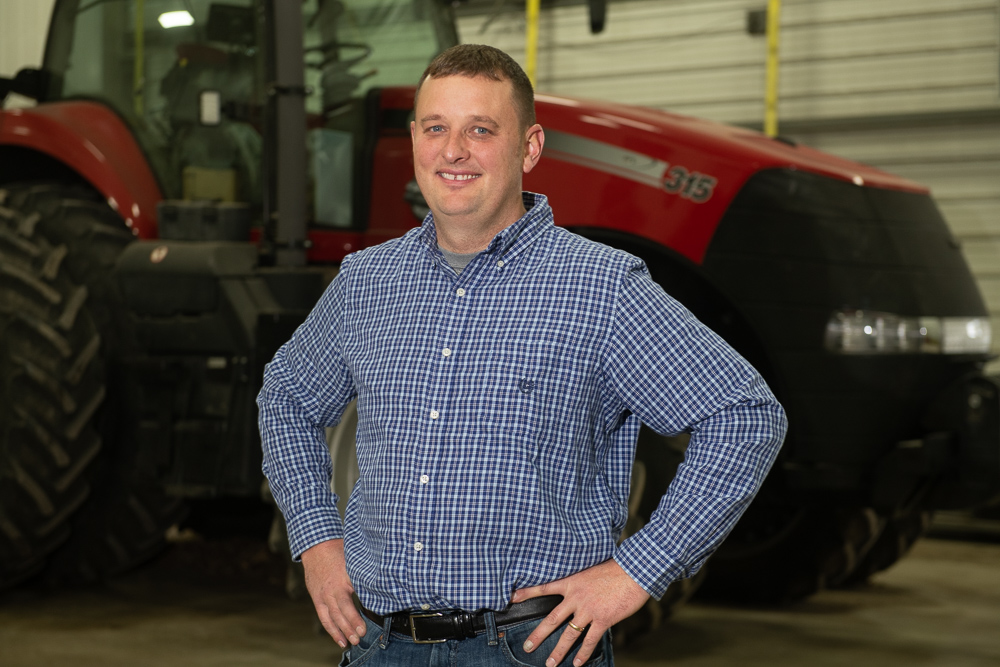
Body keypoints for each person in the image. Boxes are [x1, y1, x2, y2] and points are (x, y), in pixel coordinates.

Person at [257, 44, 787, 667]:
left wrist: (636, 572)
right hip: (380, 645)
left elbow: (745, 415)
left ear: (530, 148)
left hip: (529, 649)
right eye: (436, 128)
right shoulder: (366, 284)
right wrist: (317, 539)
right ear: (415, 141)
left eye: (480, 130)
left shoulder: (602, 288)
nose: (453, 151)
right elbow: (286, 398)